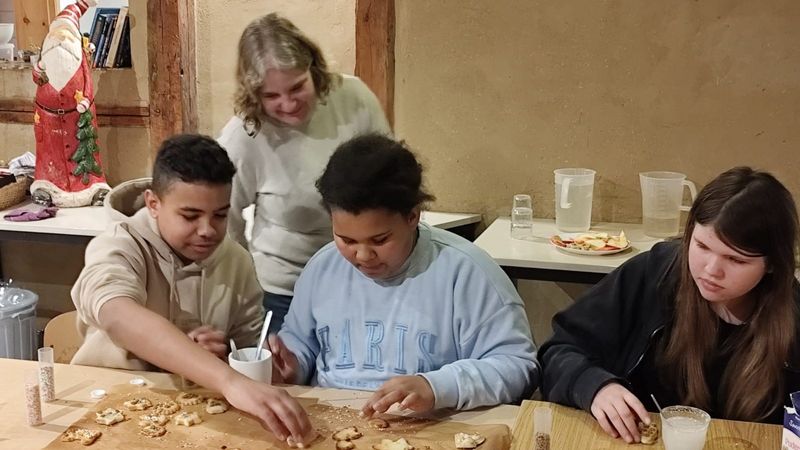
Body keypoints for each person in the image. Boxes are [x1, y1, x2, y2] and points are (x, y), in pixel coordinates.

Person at [267, 134, 539, 415]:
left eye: (380, 240)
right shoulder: (322, 268)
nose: (362, 256)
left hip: (429, 429)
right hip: (332, 423)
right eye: (346, 240)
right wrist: (290, 365)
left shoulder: (466, 272)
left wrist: (436, 387)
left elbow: (518, 366)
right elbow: (301, 345)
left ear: (413, 216)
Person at [71, 134, 313, 445]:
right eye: (190, 216)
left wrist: (258, 365)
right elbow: (116, 314)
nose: (207, 230)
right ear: (153, 204)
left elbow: (247, 355)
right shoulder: (120, 244)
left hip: (200, 422)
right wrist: (227, 380)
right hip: (108, 408)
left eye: (221, 215)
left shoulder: (236, 261)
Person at [539, 167, 800, 443]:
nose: (711, 269)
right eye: (701, 246)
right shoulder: (655, 273)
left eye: (736, 260)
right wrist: (593, 386)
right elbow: (558, 350)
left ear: (772, 265)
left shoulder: (792, 318)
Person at [219, 13, 392, 335]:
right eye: (270, 96)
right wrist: (243, 282)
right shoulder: (244, 134)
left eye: (297, 87)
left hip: (364, 277)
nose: (287, 104)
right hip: (284, 289)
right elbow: (224, 218)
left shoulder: (353, 98)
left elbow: (391, 177)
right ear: (253, 93)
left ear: (313, 68)